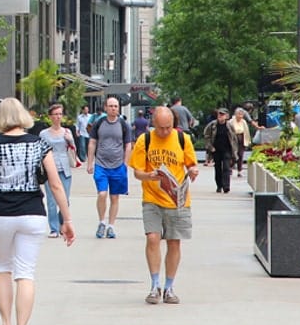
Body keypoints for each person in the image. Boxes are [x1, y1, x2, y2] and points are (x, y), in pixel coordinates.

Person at [0, 97, 75, 325]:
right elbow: (55, 183)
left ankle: (5, 323)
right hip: (32, 212)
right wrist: (67, 219)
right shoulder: (39, 144)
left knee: (2, 268)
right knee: (26, 274)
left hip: (0, 212)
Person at [129, 106, 199, 305]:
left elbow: (191, 164)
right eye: (161, 128)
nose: (165, 132)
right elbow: (137, 172)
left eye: (168, 127)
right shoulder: (145, 140)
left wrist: (193, 171)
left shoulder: (182, 139)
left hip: (178, 199)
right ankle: (154, 284)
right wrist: (148, 175)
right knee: (153, 238)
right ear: (153, 124)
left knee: (174, 242)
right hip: (152, 198)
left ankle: (169, 287)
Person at [85, 96, 133, 239]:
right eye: (111, 106)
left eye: (116, 106)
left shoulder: (124, 125)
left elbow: (128, 145)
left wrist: (125, 163)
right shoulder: (99, 123)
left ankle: (111, 226)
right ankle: (102, 222)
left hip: (118, 166)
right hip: (101, 165)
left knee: (114, 197)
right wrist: (90, 163)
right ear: (105, 107)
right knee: (102, 194)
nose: (113, 109)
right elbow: (92, 142)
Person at [39, 103, 78, 238]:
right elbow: (40, 150)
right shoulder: (44, 134)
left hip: (65, 167)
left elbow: (73, 148)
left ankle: (63, 224)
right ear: (50, 116)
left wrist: (70, 140)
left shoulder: (67, 132)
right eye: (55, 114)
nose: (58, 117)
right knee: (51, 200)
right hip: (50, 168)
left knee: (65, 199)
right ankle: (53, 228)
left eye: (60, 114)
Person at [202, 109, 239, 193]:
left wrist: (235, 151)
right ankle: (219, 185)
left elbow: (234, 138)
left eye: (222, 115)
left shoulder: (229, 126)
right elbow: (206, 135)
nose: (221, 117)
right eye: (219, 115)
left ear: (226, 116)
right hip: (216, 150)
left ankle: (226, 186)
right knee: (217, 168)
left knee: (226, 167)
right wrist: (210, 147)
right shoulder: (212, 125)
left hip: (227, 150)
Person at [229, 107, 254, 176]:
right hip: (234, 139)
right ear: (235, 114)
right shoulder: (231, 121)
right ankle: (230, 167)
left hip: (242, 139)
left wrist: (248, 141)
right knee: (234, 155)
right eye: (239, 114)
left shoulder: (243, 122)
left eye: (241, 114)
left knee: (240, 155)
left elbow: (246, 132)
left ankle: (239, 171)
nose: (240, 116)